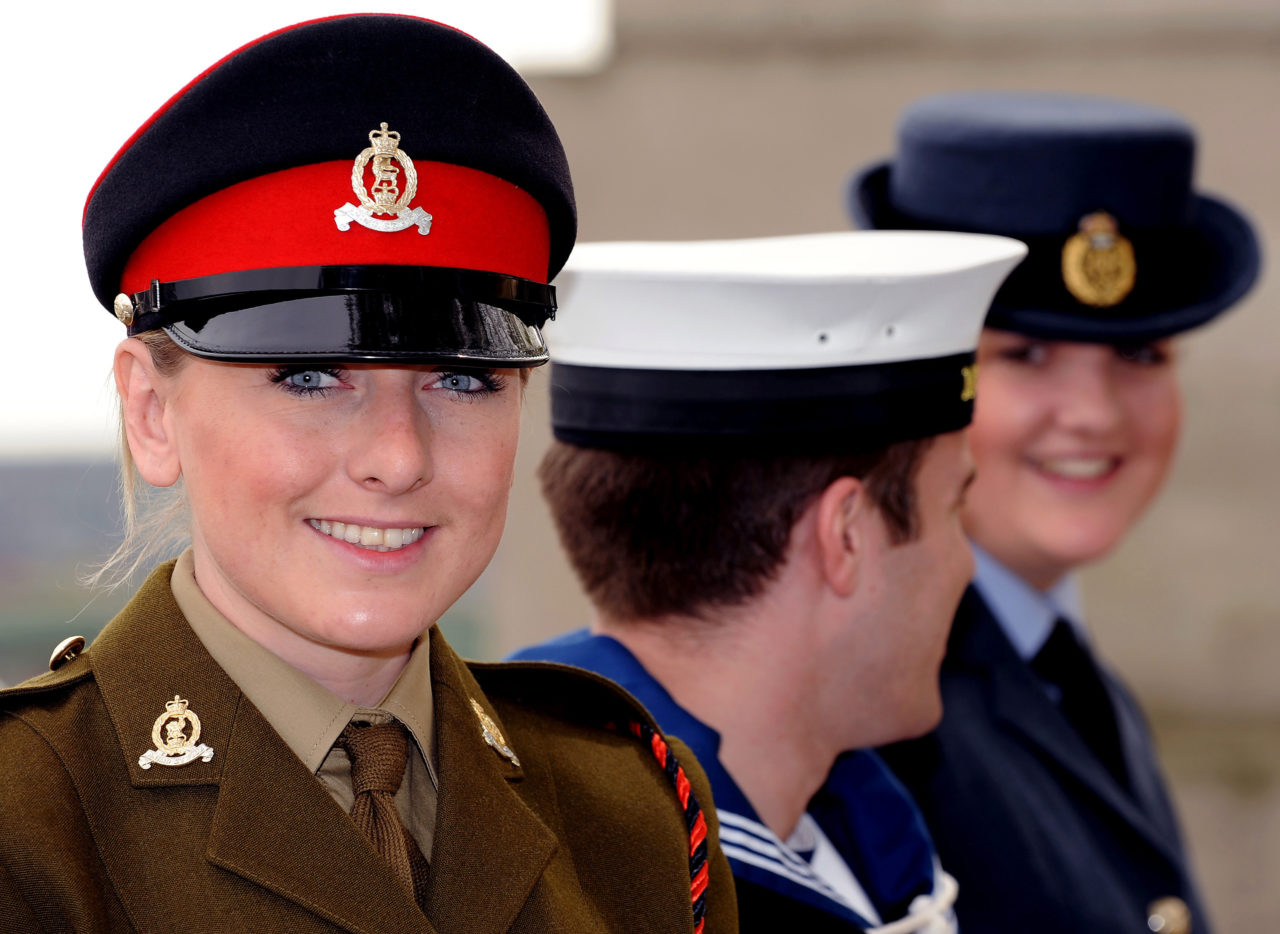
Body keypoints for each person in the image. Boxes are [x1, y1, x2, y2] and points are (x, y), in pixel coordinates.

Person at [0, 16, 736, 934]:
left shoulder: (626, 809)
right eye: (309, 377)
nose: (399, 455)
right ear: (152, 412)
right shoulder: (27, 826)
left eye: (463, 378)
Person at [512, 230, 1027, 932]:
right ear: (846, 534)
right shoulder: (584, 895)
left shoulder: (846, 832)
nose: (966, 566)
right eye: (953, 510)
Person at [847, 91, 1262, 934]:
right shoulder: (873, 707)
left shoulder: (1070, 677)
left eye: (1141, 354)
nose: (1096, 414)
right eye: (1025, 355)